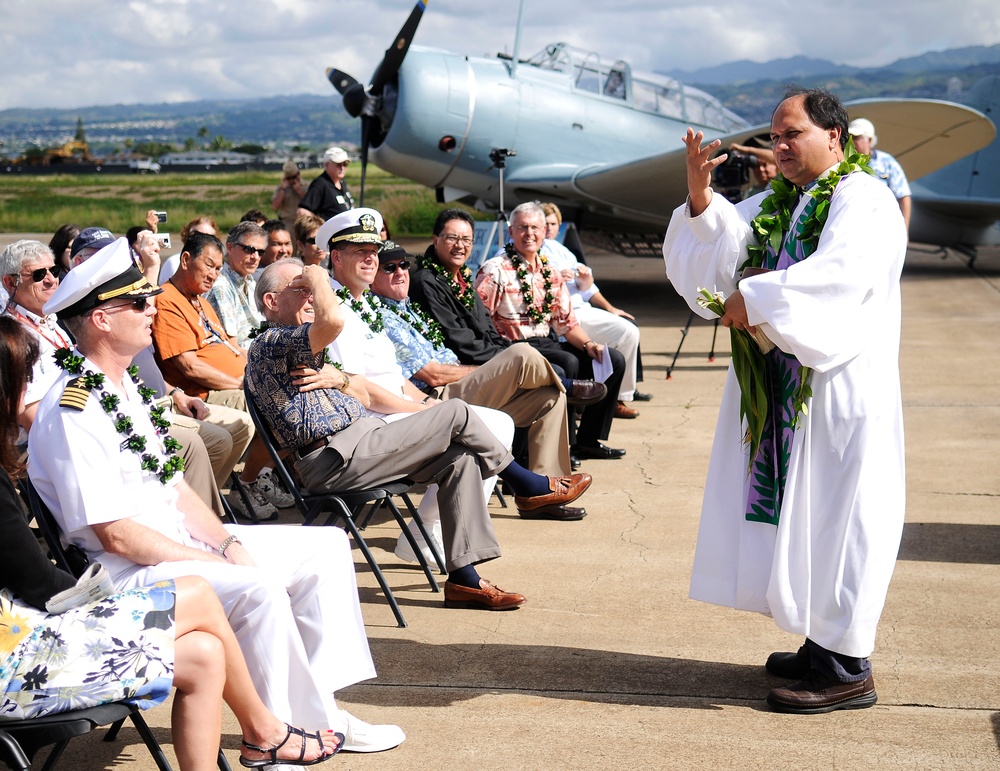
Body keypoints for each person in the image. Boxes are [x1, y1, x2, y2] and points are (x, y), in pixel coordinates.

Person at [28, 239, 407, 754]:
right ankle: (275, 742)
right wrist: (217, 560)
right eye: (138, 303)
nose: (152, 307)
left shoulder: (123, 388)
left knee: (324, 548)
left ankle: (321, 705)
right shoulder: (75, 408)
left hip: (171, 545)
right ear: (99, 319)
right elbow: (113, 533)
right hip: (123, 570)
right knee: (259, 588)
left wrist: (226, 543)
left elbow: (175, 489)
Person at [0, 316, 341, 770]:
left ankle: (268, 732)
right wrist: (103, 599)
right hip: (17, 659)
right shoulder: (71, 409)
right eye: (24, 378)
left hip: (23, 634)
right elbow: (39, 582)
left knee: (203, 652)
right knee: (206, 592)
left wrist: (222, 548)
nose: (29, 393)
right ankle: (266, 732)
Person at [662, 86, 907, 714]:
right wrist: (698, 194)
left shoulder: (865, 198)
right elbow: (723, 249)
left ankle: (848, 667)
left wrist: (763, 298)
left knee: (842, 517)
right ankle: (821, 644)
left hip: (838, 387)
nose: (779, 147)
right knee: (807, 515)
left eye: (791, 134)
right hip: (793, 387)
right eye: (774, 136)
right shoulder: (786, 200)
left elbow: (843, 274)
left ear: (835, 136)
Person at [249, 248, 590, 611]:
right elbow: (333, 321)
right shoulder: (271, 343)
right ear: (272, 301)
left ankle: (464, 579)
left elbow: (361, 389)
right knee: (456, 412)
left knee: (461, 459)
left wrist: (342, 378)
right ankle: (528, 485)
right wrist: (317, 275)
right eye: (299, 289)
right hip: (332, 458)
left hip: (362, 440)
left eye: (309, 288)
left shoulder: (301, 346)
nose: (310, 296)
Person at [372, 239, 577, 487]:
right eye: (389, 268)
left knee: (551, 397)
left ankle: (548, 489)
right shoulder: (379, 317)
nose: (400, 273)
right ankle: (571, 384)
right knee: (521, 354)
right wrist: (491, 372)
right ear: (372, 276)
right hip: (437, 400)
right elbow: (433, 375)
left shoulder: (407, 309)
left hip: (461, 391)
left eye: (404, 265)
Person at [151, 231, 291, 517]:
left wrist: (262, 372)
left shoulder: (199, 300)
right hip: (204, 394)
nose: (214, 274)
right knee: (282, 407)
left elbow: (232, 347)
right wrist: (243, 384)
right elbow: (190, 367)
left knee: (292, 394)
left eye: (218, 268)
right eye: (209, 265)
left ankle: (252, 481)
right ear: (186, 259)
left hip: (233, 384)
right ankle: (246, 484)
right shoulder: (167, 300)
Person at [476, 202, 627, 461]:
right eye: (522, 228)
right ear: (511, 231)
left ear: (545, 231)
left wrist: (590, 345)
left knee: (612, 359)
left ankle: (587, 441)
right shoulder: (495, 269)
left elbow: (566, 323)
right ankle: (562, 447)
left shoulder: (550, 272)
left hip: (547, 341)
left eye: (535, 227)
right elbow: (480, 320)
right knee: (567, 362)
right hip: (513, 348)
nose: (529, 233)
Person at [540, 202, 646, 419]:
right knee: (627, 333)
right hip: (564, 314)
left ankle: (619, 394)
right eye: (544, 223)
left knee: (628, 325)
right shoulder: (534, 250)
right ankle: (615, 398)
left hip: (581, 307)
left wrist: (610, 307)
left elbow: (588, 290)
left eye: (553, 223)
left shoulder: (562, 250)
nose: (548, 228)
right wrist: (557, 277)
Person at [0, 240, 70, 430]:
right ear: (9, 282)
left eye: (54, 271)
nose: (51, 280)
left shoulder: (51, 321)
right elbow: (31, 417)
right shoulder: (12, 336)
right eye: (38, 274)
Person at [205, 221, 267, 349]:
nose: (255, 257)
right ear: (229, 247)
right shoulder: (221, 287)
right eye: (249, 249)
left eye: (260, 252)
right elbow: (232, 346)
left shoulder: (250, 281)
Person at [848, 117, 912, 230]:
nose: (852, 141)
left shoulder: (886, 162)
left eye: (857, 137)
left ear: (870, 140)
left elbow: (903, 195)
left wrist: (904, 229)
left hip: (883, 225)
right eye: (849, 137)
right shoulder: (843, 162)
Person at [296, 147, 354, 220]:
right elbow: (302, 211)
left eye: (345, 164)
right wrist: (319, 227)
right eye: (338, 164)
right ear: (327, 165)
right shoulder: (320, 184)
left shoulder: (341, 182)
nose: (342, 168)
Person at [272, 160, 307, 233]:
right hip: (287, 222)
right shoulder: (281, 188)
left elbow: (311, 203)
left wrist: (299, 191)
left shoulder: (306, 186)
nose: (292, 180)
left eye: (293, 177)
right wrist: (283, 190)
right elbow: (275, 206)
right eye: (289, 178)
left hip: (303, 222)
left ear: (298, 175)